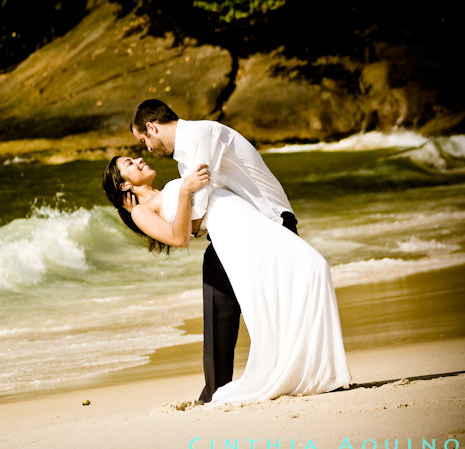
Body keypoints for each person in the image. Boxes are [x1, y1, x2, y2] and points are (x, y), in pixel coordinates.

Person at [102, 156, 351, 405]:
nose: (139, 159)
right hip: (233, 235)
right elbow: (180, 238)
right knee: (305, 273)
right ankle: (310, 373)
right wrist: (185, 191)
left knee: (306, 272)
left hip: (246, 222)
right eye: (130, 164)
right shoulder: (141, 212)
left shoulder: (167, 187)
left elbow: (196, 217)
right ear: (124, 185)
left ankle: (315, 369)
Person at [130, 99, 299, 403]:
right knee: (220, 288)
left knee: (274, 305)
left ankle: (230, 385)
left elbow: (200, 208)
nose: (146, 150)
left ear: (152, 127)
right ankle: (216, 387)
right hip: (244, 230)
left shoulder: (199, 137)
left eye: (143, 140)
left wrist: (188, 220)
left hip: (271, 221)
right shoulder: (185, 158)